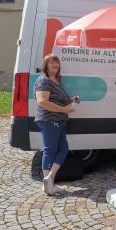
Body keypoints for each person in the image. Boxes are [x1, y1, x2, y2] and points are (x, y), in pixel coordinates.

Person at [34, 53, 80, 195]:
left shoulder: (56, 80)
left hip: (59, 120)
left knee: (63, 149)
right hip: (49, 121)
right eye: (51, 62)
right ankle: (48, 183)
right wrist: (64, 109)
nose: (55, 65)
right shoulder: (44, 80)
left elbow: (58, 99)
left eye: (57, 62)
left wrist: (72, 101)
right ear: (46, 66)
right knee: (50, 150)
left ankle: (49, 180)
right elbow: (42, 101)